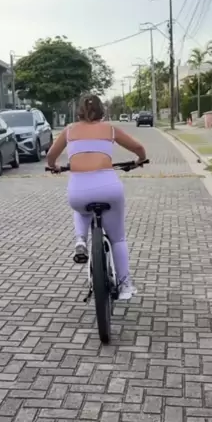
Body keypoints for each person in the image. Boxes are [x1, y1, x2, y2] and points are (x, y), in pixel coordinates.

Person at [46, 94, 147, 301]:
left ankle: (80, 239)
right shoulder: (110, 129)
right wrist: (140, 160)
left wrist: (55, 166)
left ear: (79, 111)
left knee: (81, 208)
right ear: (102, 110)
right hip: (109, 188)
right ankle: (125, 285)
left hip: (78, 191)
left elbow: (50, 156)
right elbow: (138, 148)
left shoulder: (69, 131)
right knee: (118, 238)